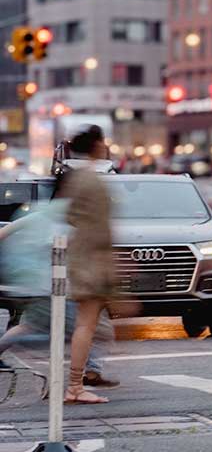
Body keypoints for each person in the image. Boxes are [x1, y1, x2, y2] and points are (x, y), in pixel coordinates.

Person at [0, 170, 117, 385]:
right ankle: (89, 373)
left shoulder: (41, 210)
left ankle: (91, 370)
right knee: (95, 328)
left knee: (31, 324)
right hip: (57, 285)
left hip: (30, 283)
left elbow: (4, 233)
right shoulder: (71, 213)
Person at [62, 126, 117, 403]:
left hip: (81, 256)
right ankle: (75, 385)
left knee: (87, 324)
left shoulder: (76, 178)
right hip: (92, 260)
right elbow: (101, 231)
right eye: (103, 141)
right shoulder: (93, 181)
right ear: (96, 145)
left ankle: (75, 384)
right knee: (86, 324)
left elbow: (71, 216)